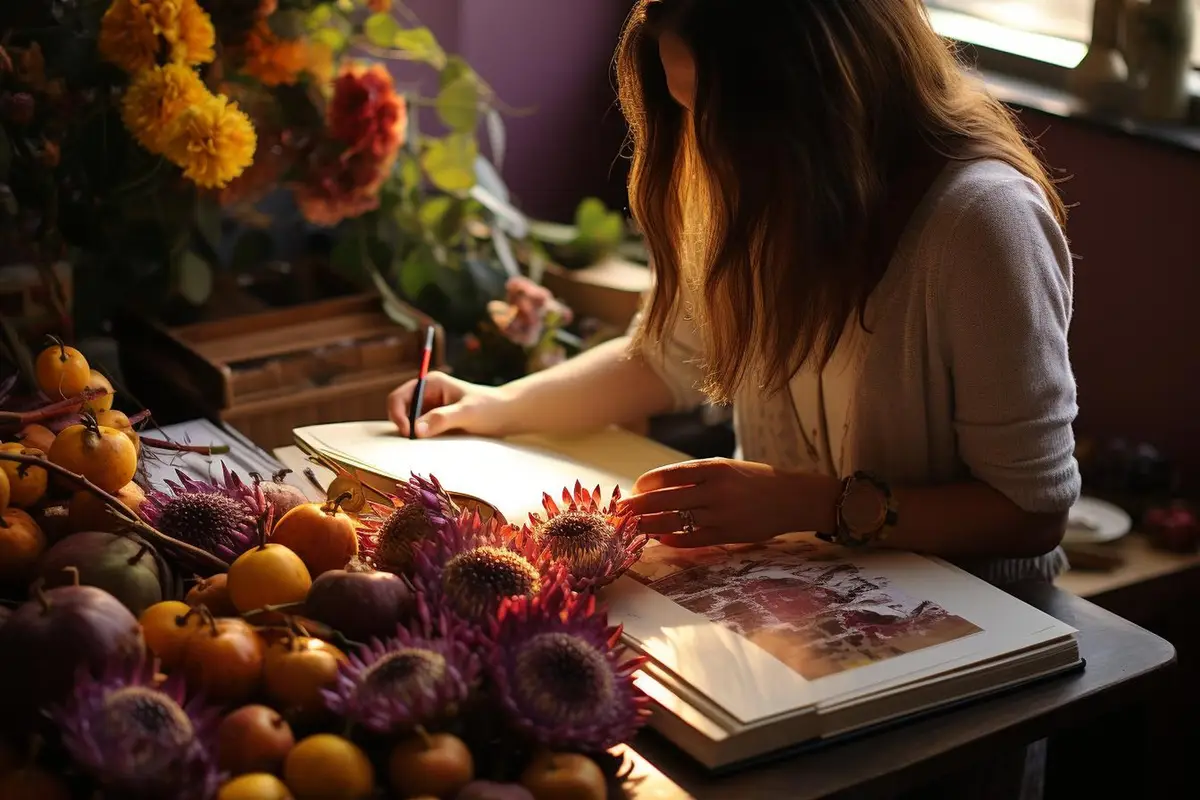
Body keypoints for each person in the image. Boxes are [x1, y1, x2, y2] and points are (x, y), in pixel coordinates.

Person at [390, 4, 1078, 793]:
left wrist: (805, 501)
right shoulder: (764, 176)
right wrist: (492, 406)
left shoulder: (981, 221)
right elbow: (668, 358)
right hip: (799, 640)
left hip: (966, 673)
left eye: (718, 114)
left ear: (819, 93)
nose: (700, 140)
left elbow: (1031, 510)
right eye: (684, 108)